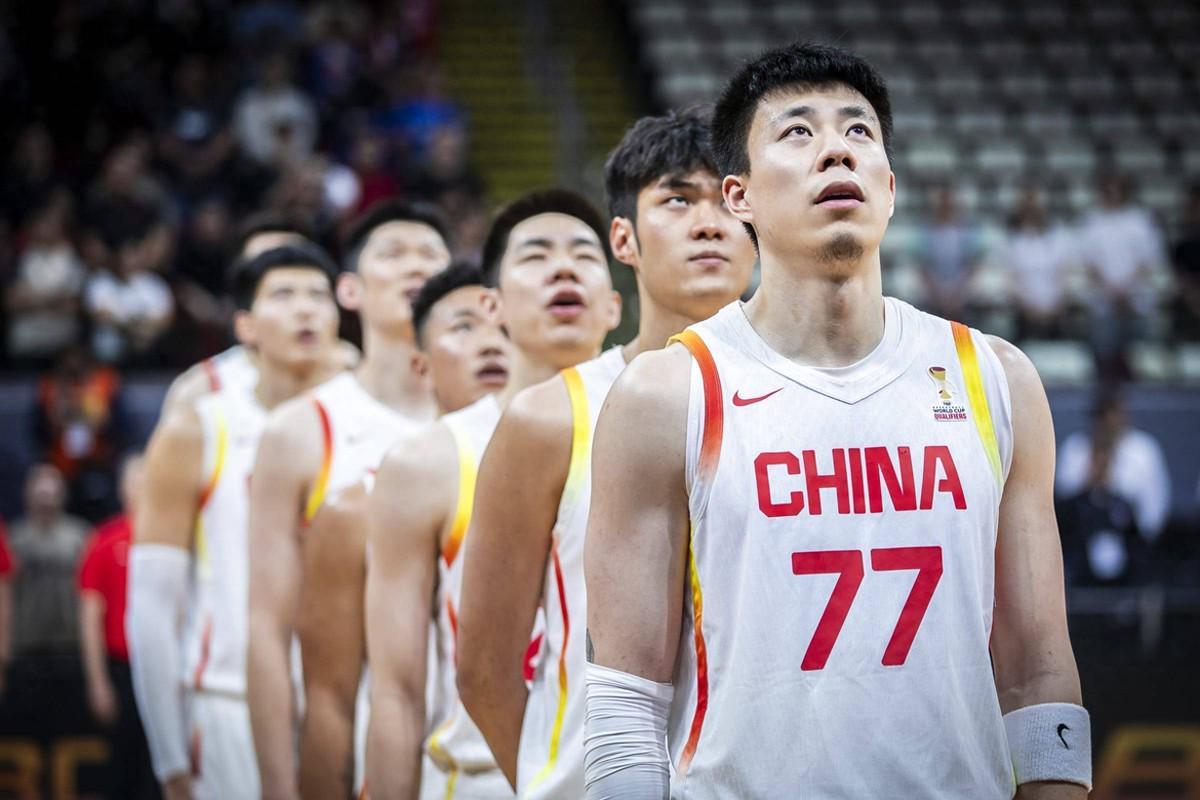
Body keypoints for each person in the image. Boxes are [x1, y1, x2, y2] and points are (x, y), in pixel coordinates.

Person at [582, 43, 1090, 799]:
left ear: (890, 187)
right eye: (797, 132)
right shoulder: (669, 393)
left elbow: (1039, 667)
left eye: (858, 131)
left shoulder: (996, 379)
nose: (835, 150)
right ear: (740, 196)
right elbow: (626, 695)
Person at [456, 109, 756, 798]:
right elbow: (484, 667)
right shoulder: (548, 417)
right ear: (623, 238)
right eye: (677, 199)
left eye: (726, 200)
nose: (707, 223)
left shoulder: (807, 403)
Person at [366, 190, 625, 799]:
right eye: (536, 255)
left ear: (615, 304)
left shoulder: (665, 417)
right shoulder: (426, 461)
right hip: (479, 778)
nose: (563, 269)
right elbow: (397, 691)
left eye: (584, 255)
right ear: (493, 303)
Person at [246, 201, 451, 800]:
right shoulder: (300, 430)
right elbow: (268, 629)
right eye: (393, 253)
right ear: (350, 291)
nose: (415, 265)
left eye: (430, 254)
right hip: (363, 748)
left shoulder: (501, 420)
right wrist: (279, 783)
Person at [127, 243, 342, 800]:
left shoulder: (374, 425)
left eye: (318, 295)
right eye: (284, 295)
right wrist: (169, 758)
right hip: (228, 703)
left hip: (347, 702)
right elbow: (151, 601)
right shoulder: (198, 427)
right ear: (245, 325)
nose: (305, 308)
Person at [78, 454, 161, 800]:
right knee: (122, 766)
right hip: (122, 667)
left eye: (147, 479)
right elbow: (89, 615)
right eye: (135, 480)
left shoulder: (168, 538)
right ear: (122, 488)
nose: (142, 487)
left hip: (162, 667)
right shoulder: (105, 539)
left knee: (162, 765)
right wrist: (98, 681)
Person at [1057, 390, 1170, 544]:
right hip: (1080, 539)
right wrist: (1091, 480)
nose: (1109, 425)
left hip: (1129, 539)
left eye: (1114, 417)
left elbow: (1153, 509)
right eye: (1103, 418)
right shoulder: (1075, 448)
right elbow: (1062, 497)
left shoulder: (1143, 450)